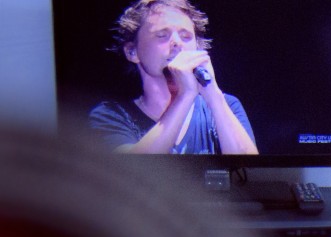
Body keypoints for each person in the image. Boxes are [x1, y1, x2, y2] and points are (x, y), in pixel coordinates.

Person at [88, 0, 258, 155]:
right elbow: (132, 169)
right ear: (132, 51)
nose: (177, 42)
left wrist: (213, 94)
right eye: (162, 35)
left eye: (186, 36)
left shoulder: (225, 105)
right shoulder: (111, 115)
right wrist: (185, 95)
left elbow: (247, 170)